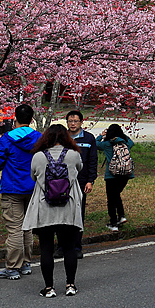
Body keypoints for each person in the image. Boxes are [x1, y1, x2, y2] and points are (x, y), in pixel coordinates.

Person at [23, 124, 84, 298]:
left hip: (45, 207)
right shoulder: (74, 155)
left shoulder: (38, 157)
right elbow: (79, 170)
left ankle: (49, 288)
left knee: (46, 249)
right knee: (69, 248)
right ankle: (70, 285)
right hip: (68, 207)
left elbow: (34, 176)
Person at [0, 103, 41, 280]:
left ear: (15, 119)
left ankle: (12, 267)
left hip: (12, 188)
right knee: (27, 228)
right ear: (32, 120)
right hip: (33, 188)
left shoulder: (6, 138)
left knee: (15, 229)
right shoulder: (39, 137)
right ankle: (26, 263)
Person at [64, 109, 98, 258]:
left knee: (78, 214)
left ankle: (77, 247)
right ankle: (62, 246)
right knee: (62, 215)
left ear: (81, 122)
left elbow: (93, 161)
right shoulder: (62, 137)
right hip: (62, 182)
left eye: (75, 121)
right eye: (70, 121)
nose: (72, 124)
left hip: (81, 181)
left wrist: (91, 180)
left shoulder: (89, 139)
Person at [98, 123, 134, 231]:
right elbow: (131, 142)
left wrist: (101, 135)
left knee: (111, 199)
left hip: (111, 175)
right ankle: (121, 216)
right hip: (126, 174)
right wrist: (122, 135)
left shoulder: (107, 144)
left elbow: (94, 144)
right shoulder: (126, 143)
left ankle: (113, 223)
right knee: (116, 195)